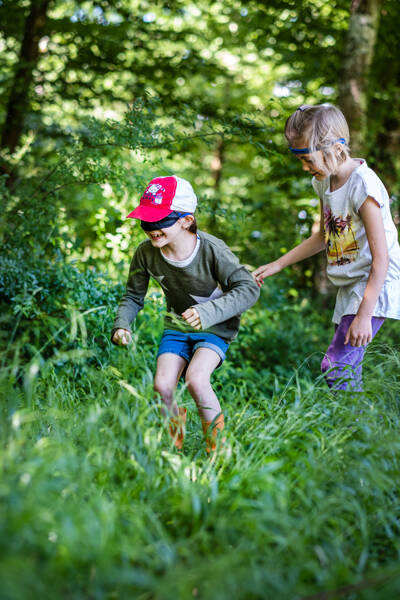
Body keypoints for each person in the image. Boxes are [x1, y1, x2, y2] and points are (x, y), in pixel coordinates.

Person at [253, 104, 400, 391]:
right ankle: (355, 429)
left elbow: (381, 257)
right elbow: (324, 236)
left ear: (336, 146)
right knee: (345, 367)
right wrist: (278, 264)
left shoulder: (363, 185)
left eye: (308, 159)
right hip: (351, 282)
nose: (305, 167)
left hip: (376, 282)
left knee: (336, 366)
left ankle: (354, 431)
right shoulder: (324, 183)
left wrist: (364, 315)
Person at [112, 175, 259, 451]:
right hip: (177, 327)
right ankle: (172, 450)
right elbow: (133, 295)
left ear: (186, 220)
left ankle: (217, 450)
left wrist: (208, 312)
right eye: (146, 220)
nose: (151, 228)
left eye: (160, 221)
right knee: (162, 386)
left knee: (196, 379)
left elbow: (248, 289)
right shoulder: (146, 253)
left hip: (215, 328)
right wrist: (123, 325)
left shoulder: (212, 250)